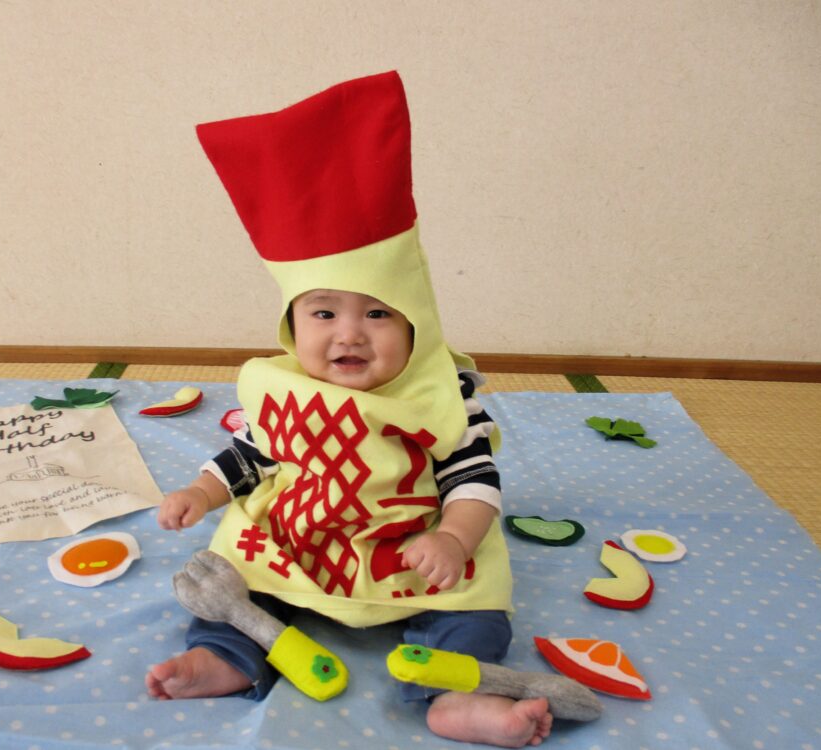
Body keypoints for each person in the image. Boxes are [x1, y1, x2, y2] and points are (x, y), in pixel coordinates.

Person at [145, 71, 553, 748]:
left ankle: (458, 693)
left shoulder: (440, 394)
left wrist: (454, 539)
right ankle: (224, 655)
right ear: (291, 324)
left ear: (417, 321)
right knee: (233, 582)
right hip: (299, 543)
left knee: (478, 610)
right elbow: (249, 455)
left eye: (378, 314)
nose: (350, 335)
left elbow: (475, 479)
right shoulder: (283, 390)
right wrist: (201, 490)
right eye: (324, 313)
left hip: (411, 550)